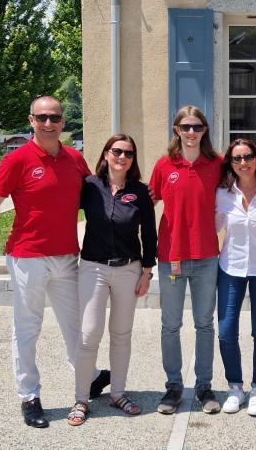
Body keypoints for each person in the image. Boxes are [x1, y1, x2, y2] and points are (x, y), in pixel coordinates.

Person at [0, 96, 109, 429]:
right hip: (27, 257)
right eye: (42, 118)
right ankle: (29, 396)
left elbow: (99, 200)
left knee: (77, 327)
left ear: (63, 122)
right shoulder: (17, 160)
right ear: (31, 121)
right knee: (27, 329)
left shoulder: (75, 160)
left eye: (54, 118)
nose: (49, 123)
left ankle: (90, 378)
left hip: (67, 255)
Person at [67, 134, 157, 426]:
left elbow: (150, 236)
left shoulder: (141, 192)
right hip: (93, 268)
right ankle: (81, 399)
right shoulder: (90, 186)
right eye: (117, 151)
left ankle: (118, 393)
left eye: (128, 153)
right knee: (88, 334)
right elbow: (61, 209)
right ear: (106, 154)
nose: (122, 157)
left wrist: (146, 271)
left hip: (128, 269)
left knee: (121, 334)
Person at [150, 106, 223, 414]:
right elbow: (145, 204)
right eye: (185, 126)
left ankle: (204, 387)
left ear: (204, 130)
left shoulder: (217, 164)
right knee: (171, 325)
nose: (191, 132)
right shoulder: (165, 166)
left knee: (205, 324)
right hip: (172, 258)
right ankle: (174, 387)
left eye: (197, 127)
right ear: (176, 129)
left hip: (207, 257)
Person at [214, 139, 256, 416]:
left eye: (248, 156)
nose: (243, 162)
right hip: (231, 268)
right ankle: (235, 387)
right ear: (230, 163)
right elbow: (211, 227)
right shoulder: (222, 194)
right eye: (237, 158)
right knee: (227, 331)